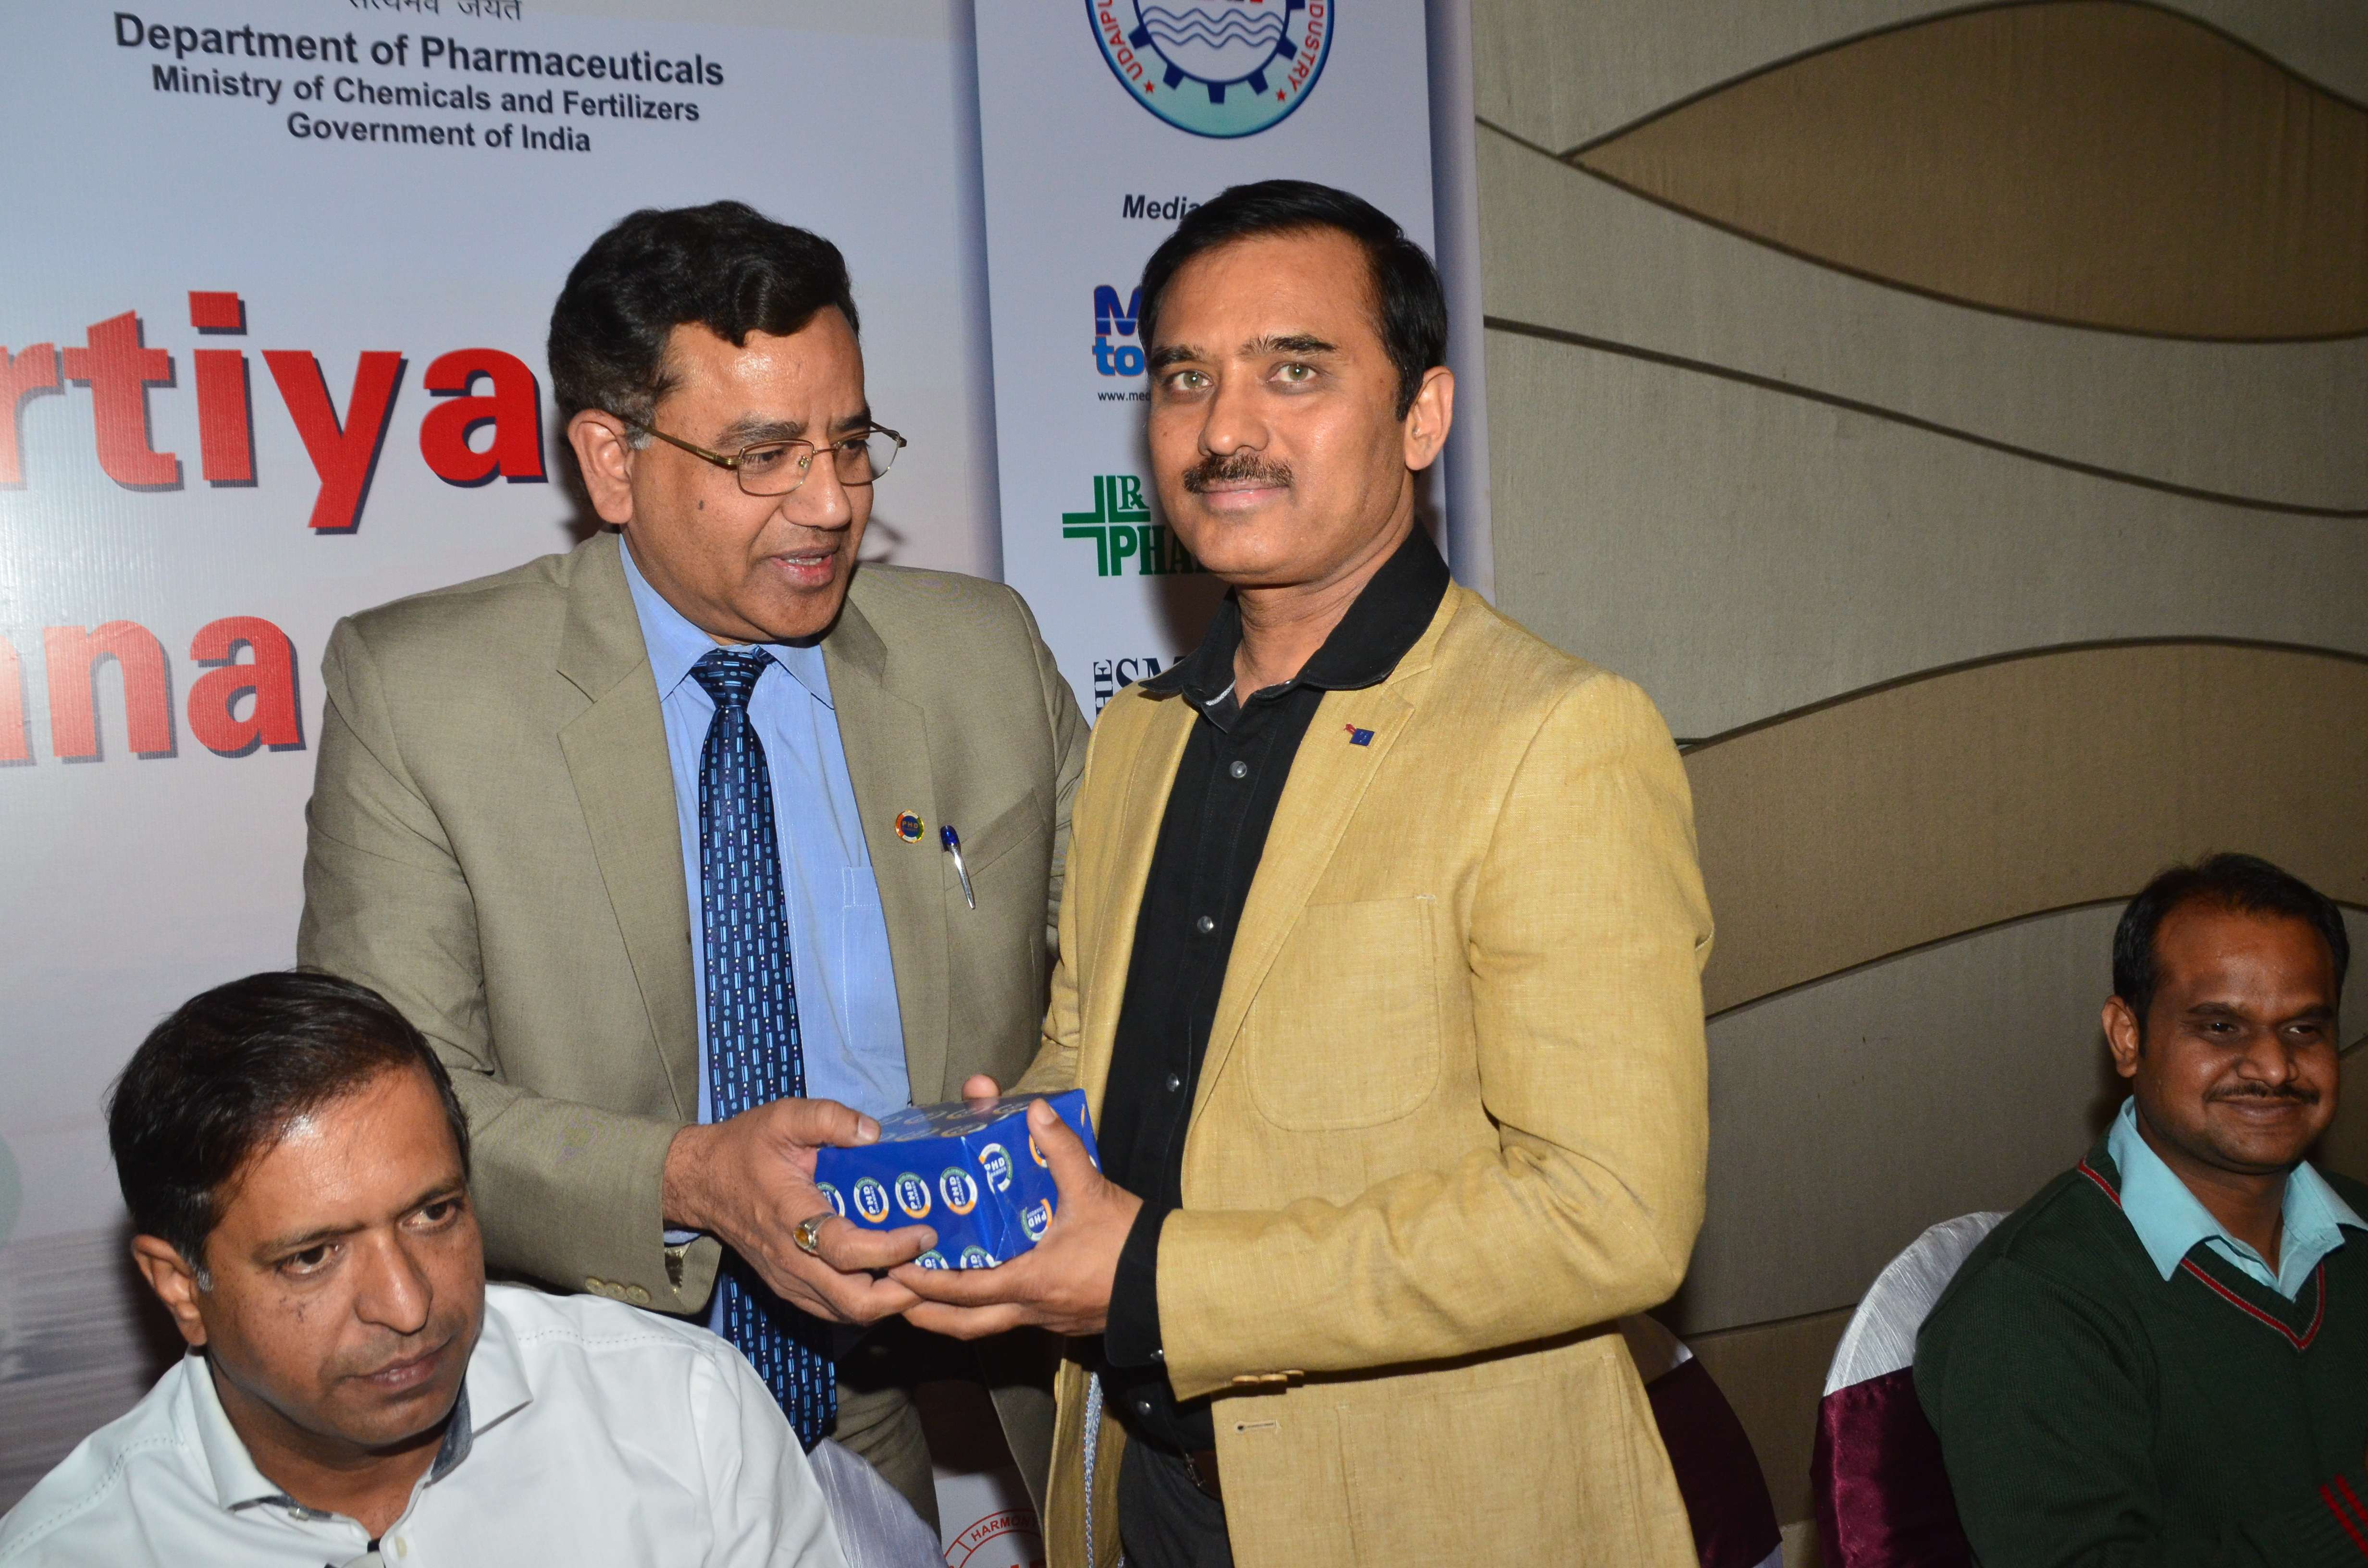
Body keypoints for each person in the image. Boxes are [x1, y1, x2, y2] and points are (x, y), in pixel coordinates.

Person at [896, 180, 1714, 1567]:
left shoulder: (1556, 736)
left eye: (1295, 372)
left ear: (1423, 416)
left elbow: (1611, 1215)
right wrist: (976, 1170)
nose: (1226, 429)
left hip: (1436, 1518)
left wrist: (1153, 1279)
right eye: (1185, 379)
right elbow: (1093, 1055)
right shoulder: (1143, 736)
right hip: (1137, 1492)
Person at [296, 200, 1086, 1525]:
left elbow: (1125, 972)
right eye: (764, 455)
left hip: (920, 1385)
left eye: (851, 444)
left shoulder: (980, 655)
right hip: (602, 1409)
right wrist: (691, 1178)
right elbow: (390, 1117)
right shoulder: (423, 695)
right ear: (611, 462)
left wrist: (1007, 1147)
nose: (830, 504)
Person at [0, 971, 848, 1567]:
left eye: (433, 1213)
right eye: (313, 1258)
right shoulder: (74, 1551)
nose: (409, 1305)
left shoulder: (683, 1417)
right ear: (181, 1287)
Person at [1917, 853, 2366, 1566]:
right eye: (2221, 1027)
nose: (2275, 1067)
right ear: (2128, 1037)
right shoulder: (2031, 1301)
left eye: (2304, 1030)